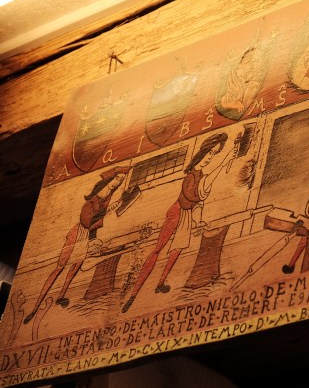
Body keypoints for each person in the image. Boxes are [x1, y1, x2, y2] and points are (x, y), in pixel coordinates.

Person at [122, 133, 231, 313]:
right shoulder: (192, 174)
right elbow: (192, 195)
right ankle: (133, 295)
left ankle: (161, 282)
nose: (210, 157)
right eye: (209, 152)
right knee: (158, 249)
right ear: (203, 151)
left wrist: (198, 219)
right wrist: (225, 161)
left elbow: (198, 202)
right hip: (177, 211)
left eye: (214, 154)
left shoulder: (201, 174)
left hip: (187, 214)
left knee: (177, 250)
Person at [23, 166, 130, 324]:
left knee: (76, 266)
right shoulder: (93, 199)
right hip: (78, 232)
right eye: (117, 179)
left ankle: (61, 296)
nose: (118, 183)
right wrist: (96, 226)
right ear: (109, 180)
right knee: (60, 267)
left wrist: (119, 202)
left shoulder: (106, 198)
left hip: (87, 234)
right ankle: (34, 308)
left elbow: (101, 216)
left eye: (121, 181)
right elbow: (87, 220)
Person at [218, 47, 264, 118]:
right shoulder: (234, 80)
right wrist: (234, 105)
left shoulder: (252, 83)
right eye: (251, 63)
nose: (252, 68)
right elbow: (223, 103)